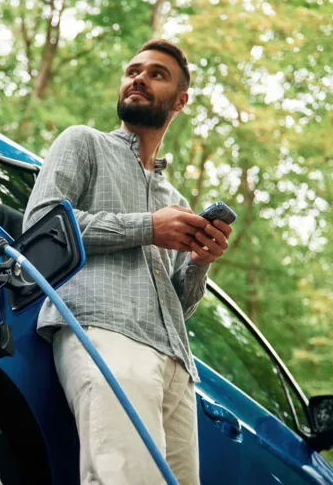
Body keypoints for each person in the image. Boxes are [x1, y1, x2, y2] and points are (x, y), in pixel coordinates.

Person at [23, 39, 232, 485]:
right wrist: (147, 228)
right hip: (103, 331)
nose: (138, 77)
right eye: (133, 70)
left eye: (157, 73)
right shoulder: (83, 143)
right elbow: (40, 230)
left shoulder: (175, 201)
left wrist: (199, 262)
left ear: (180, 101)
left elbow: (181, 306)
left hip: (177, 367)